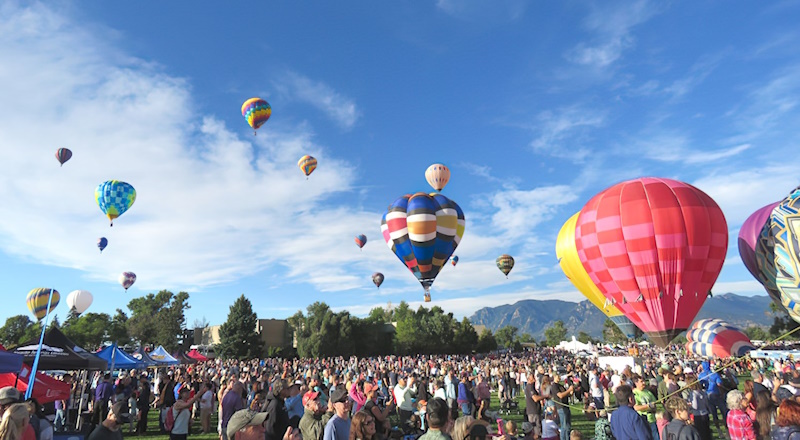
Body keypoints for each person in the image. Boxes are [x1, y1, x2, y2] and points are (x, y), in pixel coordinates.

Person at [632, 375, 659, 440]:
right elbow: (635, 407)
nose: (644, 383)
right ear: (636, 383)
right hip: (643, 421)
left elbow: (656, 402)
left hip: (652, 419)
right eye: (641, 381)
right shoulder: (634, 393)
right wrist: (647, 406)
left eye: (644, 381)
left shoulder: (648, 392)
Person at [524, 373, 543, 440]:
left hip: (534, 411)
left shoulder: (531, 387)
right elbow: (535, 398)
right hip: (533, 411)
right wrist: (544, 397)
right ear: (529, 379)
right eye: (533, 378)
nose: (534, 380)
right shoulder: (530, 387)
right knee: (536, 432)